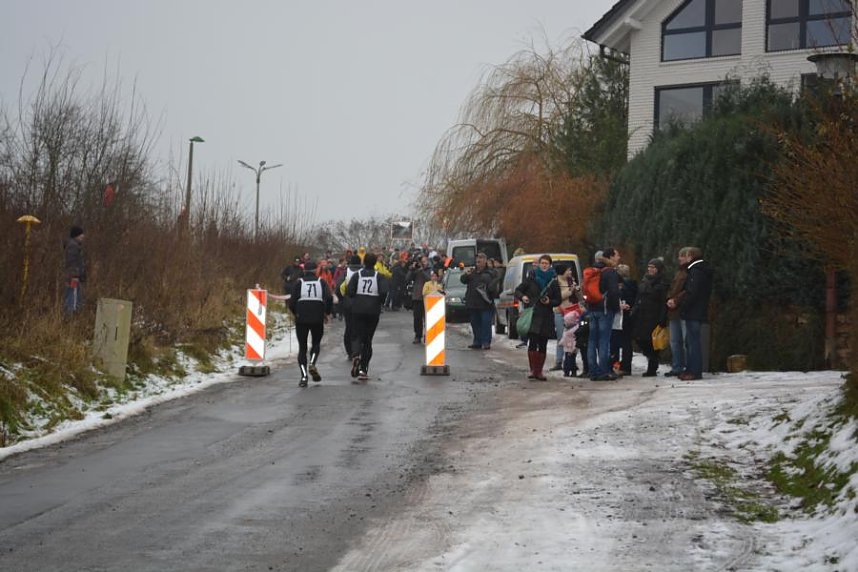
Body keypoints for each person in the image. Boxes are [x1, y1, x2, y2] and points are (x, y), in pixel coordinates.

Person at [514, 254, 561, 380]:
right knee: (533, 342)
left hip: (546, 316)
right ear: (539, 264)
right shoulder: (531, 278)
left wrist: (549, 302)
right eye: (542, 263)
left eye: (547, 263)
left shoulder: (553, 281)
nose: (544, 265)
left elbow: (558, 300)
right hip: (533, 315)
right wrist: (523, 297)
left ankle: (539, 371)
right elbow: (518, 290)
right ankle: (533, 370)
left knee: (543, 343)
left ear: (550, 265)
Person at [288, 261, 333, 387]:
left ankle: (303, 377)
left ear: (304, 271)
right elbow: (329, 298)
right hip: (317, 317)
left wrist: (296, 312)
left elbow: (292, 302)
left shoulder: (299, 283)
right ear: (316, 270)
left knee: (302, 347)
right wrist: (327, 312)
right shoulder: (321, 282)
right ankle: (312, 363)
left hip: (301, 318)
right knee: (316, 343)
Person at [346, 252, 389, 381]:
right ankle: (363, 369)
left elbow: (349, 291)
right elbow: (384, 292)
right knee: (368, 339)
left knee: (356, 335)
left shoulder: (357, 275)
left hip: (358, 309)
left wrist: (356, 299)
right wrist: (379, 302)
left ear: (363, 262)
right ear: (375, 263)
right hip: (373, 310)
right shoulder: (379, 276)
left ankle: (355, 354)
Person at [585, 248, 621, 381]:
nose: (618, 257)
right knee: (604, 341)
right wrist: (616, 308)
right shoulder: (610, 271)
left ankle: (592, 370)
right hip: (605, 310)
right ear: (610, 257)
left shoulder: (594, 269)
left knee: (592, 340)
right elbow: (614, 291)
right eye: (617, 255)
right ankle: (603, 371)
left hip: (592, 308)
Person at [678, 247, 713, 381]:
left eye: (685, 255)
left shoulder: (695, 271)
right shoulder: (701, 270)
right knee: (692, 341)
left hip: (693, 311)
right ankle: (691, 369)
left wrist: (682, 305)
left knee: (693, 342)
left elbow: (692, 292)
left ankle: (694, 371)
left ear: (691, 256)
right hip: (698, 310)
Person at [631, 258, 670, 377]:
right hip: (642, 315)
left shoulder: (662, 282)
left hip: (654, 315)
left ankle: (652, 366)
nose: (650, 269)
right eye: (649, 267)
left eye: (653, 267)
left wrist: (662, 318)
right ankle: (652, 360)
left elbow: (663, 301)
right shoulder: (645, 280)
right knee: (640, 339)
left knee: (652, 342)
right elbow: (638, 297)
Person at [461, 252, 498, 350]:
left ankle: (486, 342)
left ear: (485, 261)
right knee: (475, 323)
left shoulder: (490, 272)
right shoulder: (472, 272)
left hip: (486, 303)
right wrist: (466, 274)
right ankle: (477, 341)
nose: (478, 263)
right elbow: (463, 280)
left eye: (480, 261)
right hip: (473, 303)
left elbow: (494, 284)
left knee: (486, 323)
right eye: (477, 261)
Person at [665, 247, 690, 376]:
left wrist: (675, 300)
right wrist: (669, 299)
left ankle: (687, 367)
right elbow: (672, 288)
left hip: (683, 310)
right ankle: (677, 367)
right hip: (674, 311)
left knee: (686, 341)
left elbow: (688, 290)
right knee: (674, 341)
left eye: (682, 256)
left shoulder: (690, 272)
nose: (679, 258)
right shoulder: (679, 272)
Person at [550, 265, 581, 371]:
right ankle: (558, 361)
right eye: (568, 270)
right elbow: (558, 297)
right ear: (562, 271)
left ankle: (571, 362)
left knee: (572, 337)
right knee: (561, 337)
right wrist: (570, 291)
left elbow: (579, 297)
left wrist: (577, 290)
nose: (570, 272)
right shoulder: (555, 282)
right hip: (560, 311)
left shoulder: (571, 280)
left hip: (572, 311)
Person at [611, 264, 636, 376]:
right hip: (629, 317)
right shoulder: (634, 285)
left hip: (618, 317)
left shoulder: (619, 286)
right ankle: (626, 366)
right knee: (627, 343)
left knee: (615, 343)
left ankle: (615, 364)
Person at [337, 255, 364, 358]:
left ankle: (350, 351)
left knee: (349, 327)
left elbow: (339, 287)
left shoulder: (346, 272)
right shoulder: (364, 272)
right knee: (360, 327)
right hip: (361, 303)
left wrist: (342, 299)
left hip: (348, 303)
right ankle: (358, 349)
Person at [406, 255, 432, 344]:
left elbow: (430, 279)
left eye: (424, 261)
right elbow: (407, 279)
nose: (423, 263)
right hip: (417, 297)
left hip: (428, 296)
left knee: (428, 318)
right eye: (421, 262)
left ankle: (428, 335)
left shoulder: (430, 269)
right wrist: (411, 269)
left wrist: (422, 271)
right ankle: (418, 335)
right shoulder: (416, 270)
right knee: (417, 318)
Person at [63, 226, 86, 313]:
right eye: (81, 234)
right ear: (76, 235)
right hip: (73, 277)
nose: (83, 236)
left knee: (74, 295)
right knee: (72, 296)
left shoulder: (74, 245)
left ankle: (73, 313)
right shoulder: (73, 246)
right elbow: (72, 262)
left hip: (74, 276)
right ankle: (70, 314)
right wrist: (75, 276)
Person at [560, 306, 582, 377]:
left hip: (569, 348)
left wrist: (561, 343)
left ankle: (569, 371)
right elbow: (564, 337)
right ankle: (571, 371)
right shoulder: (573, 328)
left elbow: (565, 338)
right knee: (570, 360)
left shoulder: (569, 330)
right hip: (570, 347)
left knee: (568, 359)